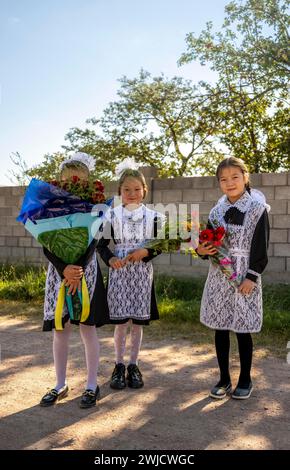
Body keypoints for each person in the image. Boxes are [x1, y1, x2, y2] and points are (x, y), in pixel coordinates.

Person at [196, 156, 270, 400]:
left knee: (242, 329)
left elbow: (261, 249)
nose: (230, 183)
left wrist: (251, 277)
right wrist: (201, 250)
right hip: (220, 277)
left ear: (245, 177)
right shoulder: (217, 211)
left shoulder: (258, 210)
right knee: (221, 327)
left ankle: (246, 379)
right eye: (224, 179)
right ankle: (224, 378)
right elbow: (208, 244)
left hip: (244, 277)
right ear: (219, 183)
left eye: (235, 177)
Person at [40, 153, 109, 408]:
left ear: (88, 181)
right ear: (60, 181)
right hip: (58, 273)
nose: (74, 183)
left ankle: (92, 384)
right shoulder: (50, 206)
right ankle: (60, 383)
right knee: (61, 328)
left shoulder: (95, 206)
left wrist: (77, 268)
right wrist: (63, 268)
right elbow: (46, 242)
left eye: (79, 179)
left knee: (87, 329)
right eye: (68, 179)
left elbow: (94, 241)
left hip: (85, 272)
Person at [98, 159, 163, 390]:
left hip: (142, 274)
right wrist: (111, 258)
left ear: (144, 191)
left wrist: (145, 252)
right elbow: (102, 246)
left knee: (137, 323)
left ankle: (134, 365)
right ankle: (118, 365)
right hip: (120, 273)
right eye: (127, 190)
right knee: (121, 322)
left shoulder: (154, 217)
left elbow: (160, 244)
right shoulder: (111, 216)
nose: (132, 193)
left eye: (137, 189)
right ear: (119, 192)